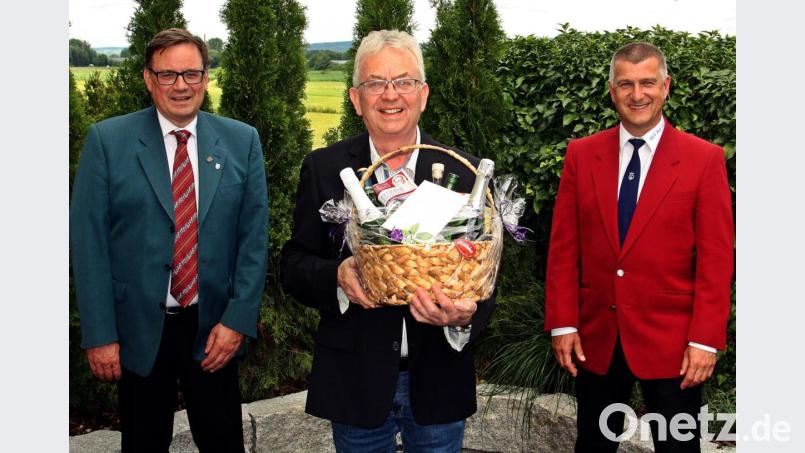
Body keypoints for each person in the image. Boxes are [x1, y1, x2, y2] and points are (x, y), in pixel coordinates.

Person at [280, 29, 496, 452]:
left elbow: (485, 274)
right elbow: (293, 264)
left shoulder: (465, 175)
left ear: (423, 93)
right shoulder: (325, 169)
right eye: (375, 83)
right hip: (354, 384)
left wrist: (465, 315)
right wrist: (338, 276)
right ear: (356, 98)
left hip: (439, 382)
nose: (390, 94)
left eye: (403, 81)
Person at [70, 28, 268, 452]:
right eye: (168, 75)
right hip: (138, 330)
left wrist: (236, 321)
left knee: (224, 444)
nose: (181, 85)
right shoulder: (108, 141)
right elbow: (89, 245)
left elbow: (253, 241)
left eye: (191, 73)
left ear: (206, 77)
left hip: (212, 329)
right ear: (148, 79)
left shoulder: (241, 141)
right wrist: (100, 333)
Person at [545, 42, 734, 452]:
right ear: (612, 91)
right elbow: (564, 248)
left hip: (674, 343)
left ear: (666, 86)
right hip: (596, 338)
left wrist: (705, 340)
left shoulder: (704, 159)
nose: (637, 94)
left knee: (678, 446)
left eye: (648, 82)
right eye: (626, 84)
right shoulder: (581, 154)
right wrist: (563, 322)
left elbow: (717, 261)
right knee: (593, 444)